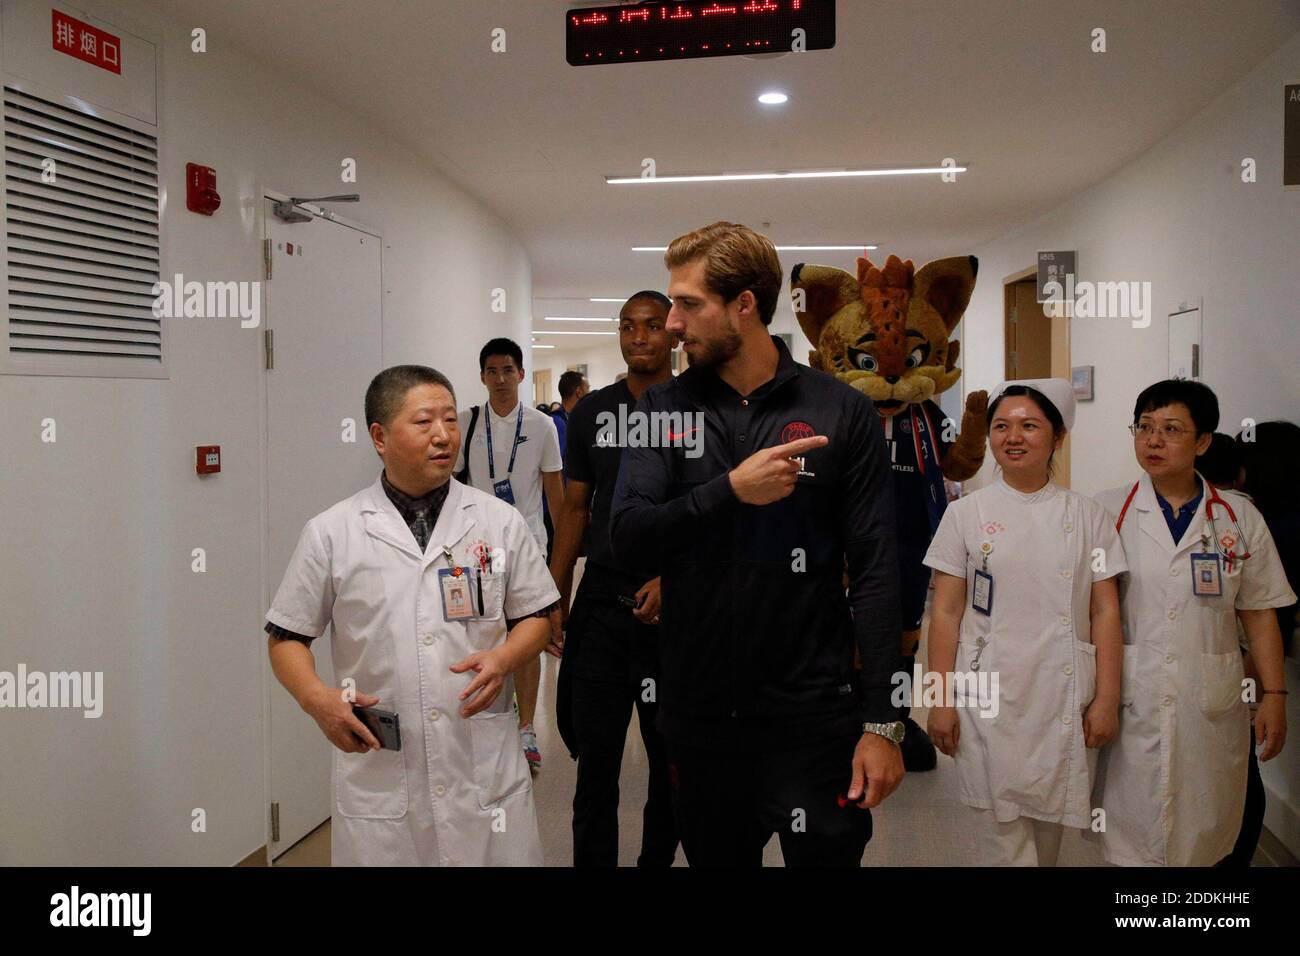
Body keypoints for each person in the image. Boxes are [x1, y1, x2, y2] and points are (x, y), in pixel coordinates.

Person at [610, 221, 904, 867]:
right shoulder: (663, 410)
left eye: (689, 305)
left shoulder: (839, 413)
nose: (672, 324)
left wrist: (883, 720)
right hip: (700, 719)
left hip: (815, 721)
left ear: (744, 304)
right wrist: (728, 491)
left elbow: (879, 569)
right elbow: (628, 538)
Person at [264, 365, 559, 866]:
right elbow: (286, 637)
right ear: (380, 437)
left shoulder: (497, 521)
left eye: (450, 419)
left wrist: (506, 657)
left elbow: (537, 617)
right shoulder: (332, 532)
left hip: (480, 758)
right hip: (383, 767)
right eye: (424, 422)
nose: (444, 434)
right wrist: (317, 700)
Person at [923, 379, 1125, 866]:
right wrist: (938, 699)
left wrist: (1108, 698)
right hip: (986, 690)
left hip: (1062, 695)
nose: (1013, 437)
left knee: (1048, 836)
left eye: (1029, 426)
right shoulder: (965, 515)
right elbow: (945, 613)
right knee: (1001, 837)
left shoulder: (1089, 517)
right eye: (1001, 426)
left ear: (1057, 438)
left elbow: (1106, 612)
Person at [1094, 380, 1293, 866]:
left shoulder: (1238, 518)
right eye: (1144, 428)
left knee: (1205, 830)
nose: (1153, 441)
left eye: (1171, 429)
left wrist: (1275, 695)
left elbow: (1260, 610)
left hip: (1212, 699)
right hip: (1131, 696)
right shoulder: (1106, 512)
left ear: (1203, 441)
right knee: (1131, 833)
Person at [549, 292, 679, 866]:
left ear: (674, 334)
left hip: (675, 608)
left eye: (653, 326)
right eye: (629, 327)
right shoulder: (590, 414)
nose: (640, 337)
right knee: (594, 761)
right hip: (603, 601)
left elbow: (721, 510)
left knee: (669, 761)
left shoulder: (700, 410)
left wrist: (675, 578)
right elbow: (575, 510)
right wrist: (552, 596)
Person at [455, 339, 564, 774]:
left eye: (508, 370)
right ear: (482, 376)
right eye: (492, 371)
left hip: (528, 546)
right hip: (475, 551)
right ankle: (485, 720)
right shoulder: (466, 423)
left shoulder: (542, 426)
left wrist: (560, 563)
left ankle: (525, 726)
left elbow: (556, 497)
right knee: (480, 637)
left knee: (527, 636)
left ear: (521, 374)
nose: (500, 379)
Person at [551, 370, 590, 470]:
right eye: (588, 388)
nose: (590, 393)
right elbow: (556, 466)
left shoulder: (576, 419)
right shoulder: (558, 423)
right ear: (579, 392)